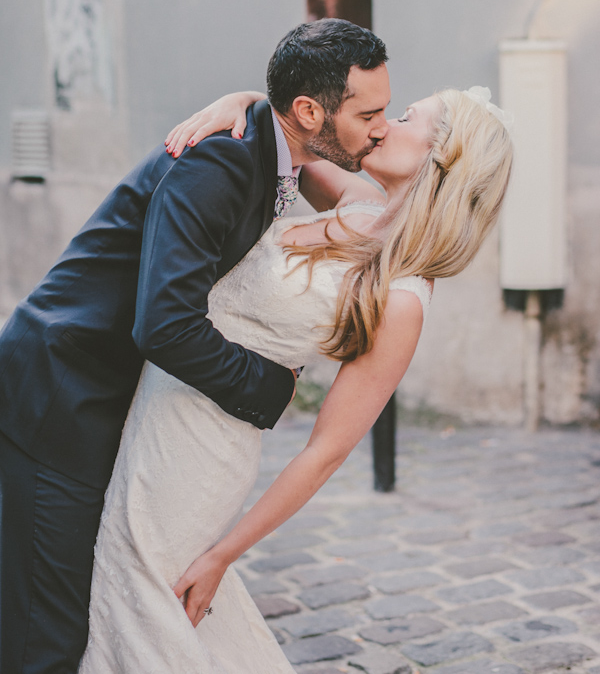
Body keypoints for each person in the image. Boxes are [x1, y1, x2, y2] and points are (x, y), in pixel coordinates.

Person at [0, 18, 392, 673]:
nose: (379, 126)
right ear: (308, 111)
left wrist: (244, 95)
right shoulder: (223, 159)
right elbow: (165, 325)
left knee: (73, 606)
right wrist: (269, 387)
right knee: (51, 631)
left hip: (101, 396)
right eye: (370, 113)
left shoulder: (271, 152)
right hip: (59, 393)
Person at [78, 84, 513, 672]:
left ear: (444, 157)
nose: (383, 123)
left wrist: (224, 556)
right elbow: (295, 132)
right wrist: (246, 99)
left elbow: (324, 453)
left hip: (201, 450)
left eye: (407, 117)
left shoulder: (403, 297)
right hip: (153, 398)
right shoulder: (357, 201)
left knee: (144, 595)